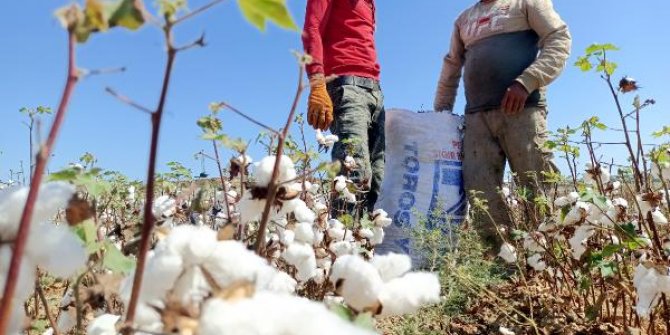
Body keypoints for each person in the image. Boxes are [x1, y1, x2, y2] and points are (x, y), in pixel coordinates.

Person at [433, 0, 571, 248]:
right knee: (480, 191)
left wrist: (526, 82)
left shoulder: (526, 3)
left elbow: (558, 38)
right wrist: (441, 112)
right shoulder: (464, 19)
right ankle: (501, 262)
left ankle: (547, 260)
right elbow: (452, 64)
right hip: (476, 118)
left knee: (537, 184)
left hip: (523, 110)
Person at [302, 0, 385, 214]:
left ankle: (363, 245)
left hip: (374, 91)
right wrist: (318, 84)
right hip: (345, 87)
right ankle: (343, 244)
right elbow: (312, 29)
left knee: (377, 179)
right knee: (352, 175)